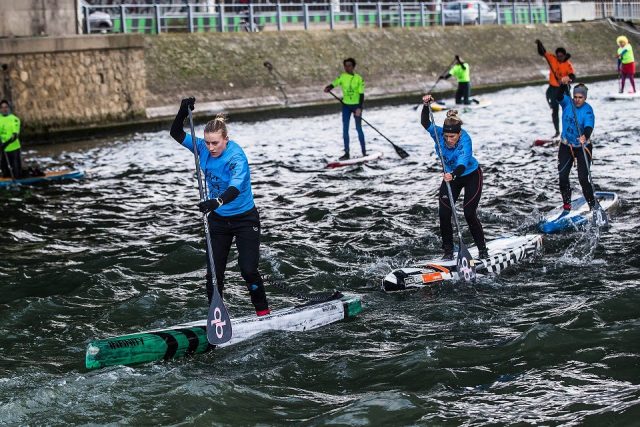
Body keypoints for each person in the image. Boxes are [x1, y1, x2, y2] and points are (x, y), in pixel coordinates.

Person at [170, 97, 270, 317]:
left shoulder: (236, 157)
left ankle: (263, 313)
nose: (210, 147)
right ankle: (217, 318)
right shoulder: (203, 150)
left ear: (226, 139)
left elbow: (234, 189)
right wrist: (182, 112)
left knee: (248, 270)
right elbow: (176, 134)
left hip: (244, 219)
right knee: (214, 275)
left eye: (215, 143)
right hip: (218, 221)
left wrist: (216, 202)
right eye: (207, 142)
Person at [421, 94, 488, 260]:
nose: (449, 140)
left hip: (470, 175)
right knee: (444, 213)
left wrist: (453, 175)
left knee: (469, 213)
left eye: (452, 137)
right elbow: (425, 123)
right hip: (451, 177)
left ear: (459, 134)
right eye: (447, 136)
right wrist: (425, 105)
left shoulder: (466, 140)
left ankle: (483, 251)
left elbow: (462, 164)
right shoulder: (438, 133)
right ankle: (448, 252)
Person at [555, 78, 596, 214]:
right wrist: (562, 85)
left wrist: (585, 135)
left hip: (583, 147)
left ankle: (592, 206)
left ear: (585, 97)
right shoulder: (567, 103)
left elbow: (589, 126)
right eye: (575, 97)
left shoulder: (588, 110)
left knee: (583, 178)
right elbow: (558, 96)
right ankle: (567, 205)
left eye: (580, 97)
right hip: (566, 146)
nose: (577, 100)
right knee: (562, 177)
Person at [324, 58, 366, 160]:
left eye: (349, 66)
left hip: (356, 106)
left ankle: (364, 153)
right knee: (345, 130)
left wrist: (359, 109)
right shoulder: (342, 77)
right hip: (346, 106)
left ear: (353, 67)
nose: (347, 68)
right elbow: (334, 83)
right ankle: (347, 153)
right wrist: (328, 87)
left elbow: (361, 95)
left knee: (358, 129)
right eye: (345, 66)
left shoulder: (359, 79)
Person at [536, 40, 576, 139]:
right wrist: (539, 44)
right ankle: (557, 132)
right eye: (558, 56)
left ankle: (569, 131)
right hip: (553, 89)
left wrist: (568, 79)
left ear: (564, 55)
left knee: (567, 111)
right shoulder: (552, 59)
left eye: (561, 56)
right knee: (555, 111)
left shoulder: (568, 64)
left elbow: (572, 76)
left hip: (564, 89)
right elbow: (543, 52)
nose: (559, 58)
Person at [0, 99, 21, 179]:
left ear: (9, 108)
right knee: (4, 173)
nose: (4, 109)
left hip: (14, 149)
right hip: (3, 150)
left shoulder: (15, 119)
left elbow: (15, 136)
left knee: (16, 174)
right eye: (2, 108)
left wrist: (5, 144)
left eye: (6, 107)